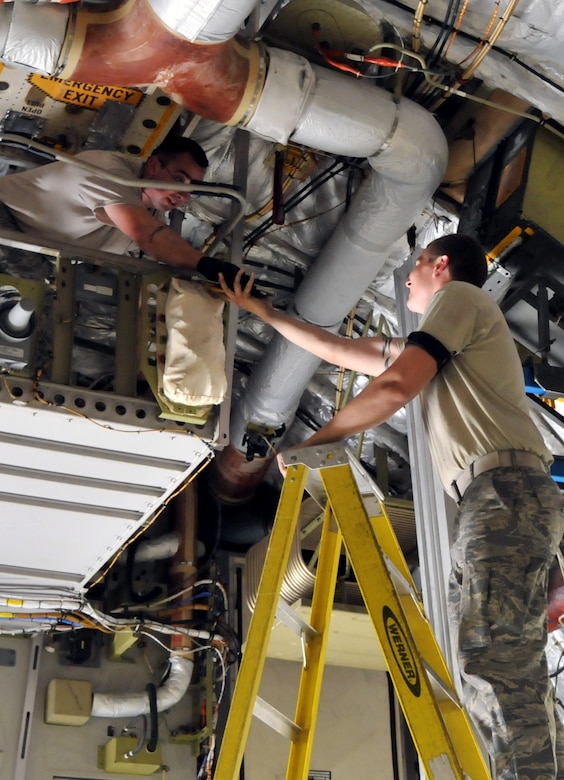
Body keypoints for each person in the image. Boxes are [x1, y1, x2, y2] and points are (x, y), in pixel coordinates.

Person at [219, 233, 564, 780]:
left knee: (492, 659)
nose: (407, 278)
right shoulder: (448, 329)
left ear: (441, 265)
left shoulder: (463, 299)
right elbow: (345, 353)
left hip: (503, 493)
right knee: (487, 659)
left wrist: (314, 444)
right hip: (500, 495)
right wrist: (263, 312)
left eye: (416, 265)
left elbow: (398, 385)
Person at [0, 135, 241, 287]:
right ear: (155, 165)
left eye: (191, 189)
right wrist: (208, 266)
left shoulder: (152, 212)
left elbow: (152, 246)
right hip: (7, 220)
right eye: (179, 180)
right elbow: (148, 235)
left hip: (38, 253)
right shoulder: (109, 172)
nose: (183, 195)